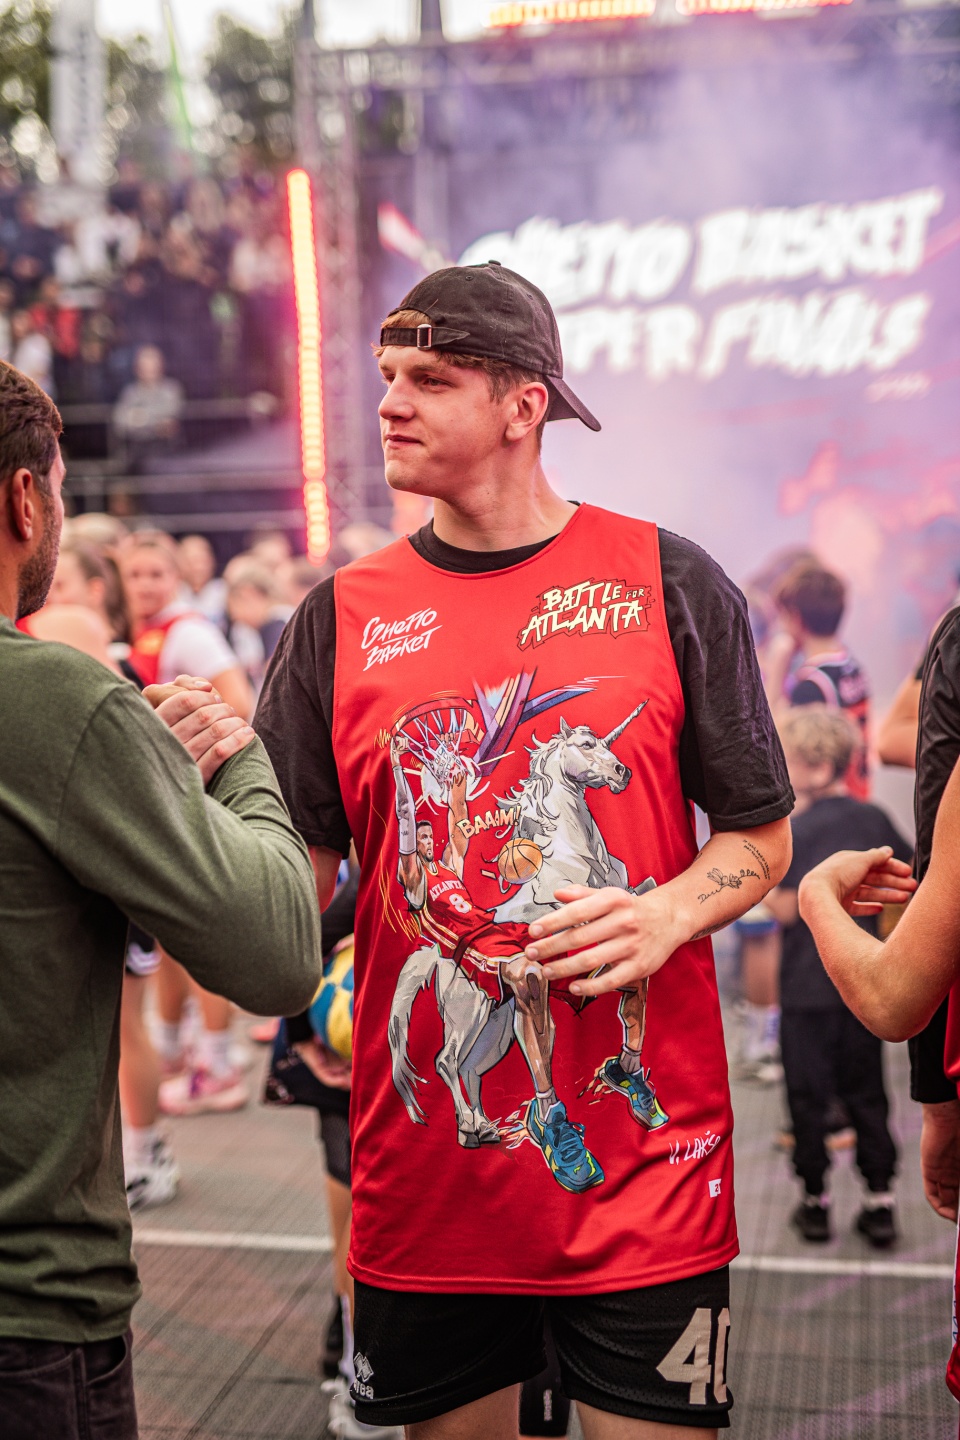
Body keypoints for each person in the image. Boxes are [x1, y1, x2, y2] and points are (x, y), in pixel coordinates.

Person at [255, 262, 794, 1438]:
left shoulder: (669, 579)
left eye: (430, 380)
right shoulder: (337, 618)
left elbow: (760, 836)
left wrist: (664, 912)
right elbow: (288, 889)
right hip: (432, 1188)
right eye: (387, 376)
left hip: (648, 1175)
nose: (390, 403)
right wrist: (189, 821)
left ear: (523, 403)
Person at [0, 358, 323, 1438]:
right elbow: (279, 953)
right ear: (26, 499)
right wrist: (238, 762)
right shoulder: (54, 697)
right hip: (26, 1309)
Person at [119, 528, 258, 1115]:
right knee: (170, 940)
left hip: (194, 806)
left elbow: (239, 708)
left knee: (198, 940)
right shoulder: (138, 633)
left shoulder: (189, 633)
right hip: (166, 807)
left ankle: (218, 1064)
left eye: (156, 573)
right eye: (135, 574)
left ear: (175, 577)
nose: (145, 584)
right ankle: (181, 1049)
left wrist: (180, 764)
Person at [764, 708, 910, 1246]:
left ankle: (815, 1204)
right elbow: (908, 882)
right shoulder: (873, 820)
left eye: (793, 762)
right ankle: (880, 1203)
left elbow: (786, 911)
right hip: (861, 986)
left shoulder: (796, 831)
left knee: (807, 1097)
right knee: (868, 1093)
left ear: (820, 767)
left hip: (806, 992)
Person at [765, 564, 871, 800]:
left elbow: (778, 745)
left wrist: (777, 668)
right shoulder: (851, 666)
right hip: (858, 791)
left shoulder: (811, 686)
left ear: (795, 618)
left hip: (829, 802)